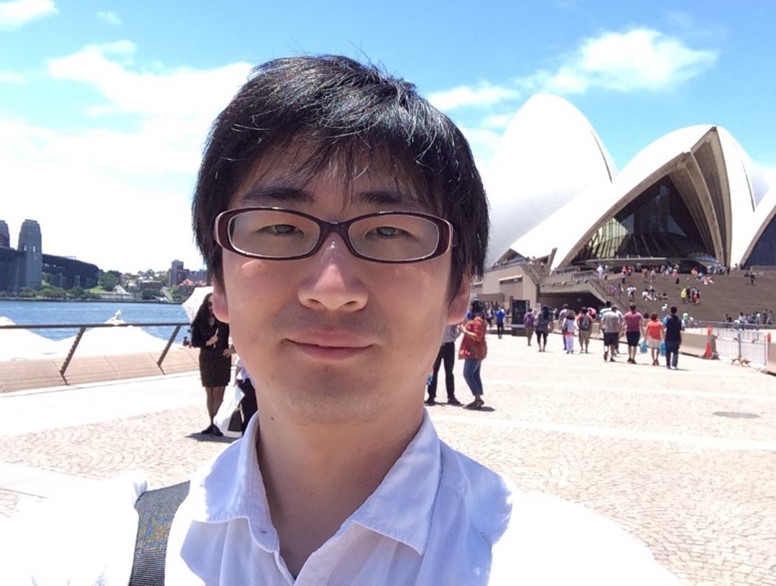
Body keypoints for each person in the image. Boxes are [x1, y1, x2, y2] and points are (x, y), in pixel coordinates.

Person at [6, 55, 676, 584]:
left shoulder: (578, 568)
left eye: (388, 232)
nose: (333, 288)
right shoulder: (90, 553)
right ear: (219, 287)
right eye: (278, 227)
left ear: (458, 292)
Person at [189, 291, 232, 436]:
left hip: (221, 357)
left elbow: (239, 335)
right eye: (208, 304)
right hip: (207, 357)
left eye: (213, 304)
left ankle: (217, 424)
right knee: (210, 393)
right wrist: (207, 342)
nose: (210, 307)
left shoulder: (225, 321)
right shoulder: (200, 321)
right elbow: (194, 341)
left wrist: (232, 349)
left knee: (219, 392)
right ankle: (212, 422)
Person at [459, 301, 488, 409]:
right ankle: (478, 398)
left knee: (468, 374)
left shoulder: (477, 320)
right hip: (478, 351)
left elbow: (477, 336)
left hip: (473, 351)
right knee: (475, 375)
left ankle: (478, 398)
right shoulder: (480, 319)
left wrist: (464, 331)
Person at [425, 323, 462, 406]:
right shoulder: (437, 316)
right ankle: (431, 395)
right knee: (433, 372)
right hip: (437, 345)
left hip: (449, 345)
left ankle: (451, 396)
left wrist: (454, 335)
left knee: (449, 372)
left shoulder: (452, 318)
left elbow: (457, 330)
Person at [664, 305, 684, 370]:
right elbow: (680, 329)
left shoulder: (668, 319)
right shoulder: (679, 320)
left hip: (669, 337)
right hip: (676, 337)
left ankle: (668, 364)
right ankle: (674, 364)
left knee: (668, 351)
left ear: (670, 311)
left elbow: (666, 327)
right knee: (675, 352)